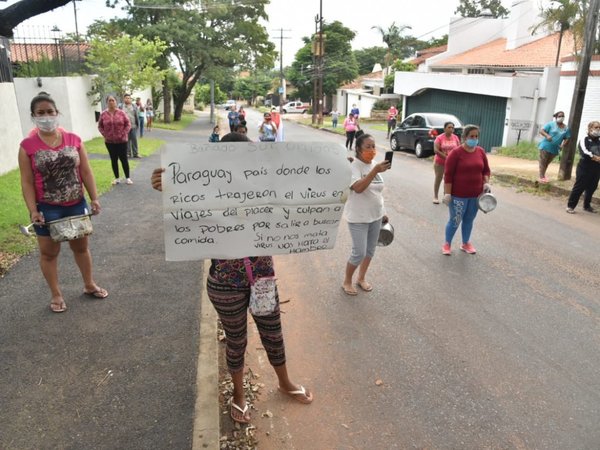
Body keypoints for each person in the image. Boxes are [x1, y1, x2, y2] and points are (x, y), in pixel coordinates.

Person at [150, 132, 313, 424]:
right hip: (225, 283)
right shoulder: (209, 191)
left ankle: (285, 382)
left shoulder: (266, 188)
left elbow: (300, 191)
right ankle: (239, 395)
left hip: (262, 280)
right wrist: (168, 190)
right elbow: (187, 215)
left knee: (273, 333)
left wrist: (332, 177)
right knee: (237, 341)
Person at [18, 92, 108, 313]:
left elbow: (86, 171)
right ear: (33, 116)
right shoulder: (27, 146)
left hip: (76, 204)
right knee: (49, 253)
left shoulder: (74, 139)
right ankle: (56, 295)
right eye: (41, 113)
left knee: (81, 248)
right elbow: (27, 182)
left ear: (57, 113)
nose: (46, 117)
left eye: (50, 111)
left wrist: (94, 198)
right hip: (47, 208)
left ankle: (89, 284)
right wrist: (32, 210)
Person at [342, 133, 391, 296]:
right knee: (359, 252)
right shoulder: (353, 166)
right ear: (358, 149)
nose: (372, 150)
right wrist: (374, 170)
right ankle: (347, 281)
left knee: (370, 251)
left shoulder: (375, 165)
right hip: (358, 217)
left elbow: (377, 192)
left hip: (376, 215)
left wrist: (383, 211)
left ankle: (361, 278)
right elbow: (358, 188)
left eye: (373, 146)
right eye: (368, 147)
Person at [441, 124, 491, 256]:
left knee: (469, 219)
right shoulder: (455, 153)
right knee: (455, 220)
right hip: (458, 195)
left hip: (476, 195)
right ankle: (447, 244)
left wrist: (486, 182)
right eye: (471, 136)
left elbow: (486, 170)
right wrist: (447, 193)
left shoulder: (480, 151)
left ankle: (465, 243)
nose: (474, 139)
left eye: (476, 136)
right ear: (464, 137)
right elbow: (448, 175)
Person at [566, 120, 600, 214]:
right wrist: (595, 157)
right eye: (596, 127)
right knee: (579, 187)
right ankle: (570, 206)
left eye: (599, 128)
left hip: (596, 169)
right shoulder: (584, 139)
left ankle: (586, 205)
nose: (598, 129)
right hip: (584, 168)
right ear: (590, 128)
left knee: (592, 187)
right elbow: (584, 152)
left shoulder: (598, 141)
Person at [98, 95, 133, 185]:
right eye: (109, 100)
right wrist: (105, 134)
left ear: (116, 102)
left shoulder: (121, 113)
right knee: (113, 159)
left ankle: (128, 178)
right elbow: (100, 126)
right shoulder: (103, 114)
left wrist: (124, 133)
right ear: (107, 102)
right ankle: (117, 178)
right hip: (109, 142)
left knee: (124, 159)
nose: (111, 102)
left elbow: (128, 124)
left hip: (122, 141)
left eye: (113, 100)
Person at [432, 121, 461, 204]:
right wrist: (447, 157)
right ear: (444, 128)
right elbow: (436, 150)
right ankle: (435, 196)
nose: (451, 129)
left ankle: (446, 196)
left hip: (452, 163)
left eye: (452, 128)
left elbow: (459, 149)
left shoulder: (455, 137)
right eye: (449, 127)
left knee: (448, 180)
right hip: (440, 162)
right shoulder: (439, 138)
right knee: (439, 178)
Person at [538, 111, 570, 183]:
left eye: (562, 116)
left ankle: (542, 175)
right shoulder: (550, 124)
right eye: (559, 116)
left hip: (555, 148)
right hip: (545, 146)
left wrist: (563, 145)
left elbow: (567, 138)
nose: (561, 118)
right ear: (556, 117)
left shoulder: (566, 128)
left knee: (547, 162)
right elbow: (541, 131)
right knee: (543, 162)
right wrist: (547, 135)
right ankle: (542, 177)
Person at [122, 94, 140, 158]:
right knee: (126, 140)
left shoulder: (134, 106)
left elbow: (137, 116)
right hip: (124, 127)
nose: (128, 99)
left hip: (133, 126)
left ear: (131, 99)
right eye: (126, 98)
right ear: (124, 99)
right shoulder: (121, 106)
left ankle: (136, 153)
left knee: (134, 140)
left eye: (129, 98)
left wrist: (138, 124)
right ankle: (128, 153)